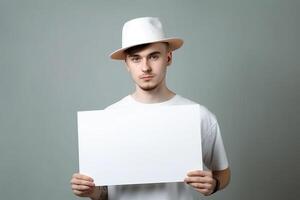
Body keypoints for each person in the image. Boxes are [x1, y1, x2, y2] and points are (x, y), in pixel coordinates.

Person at [70, 17, 231, 200]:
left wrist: (215, 184)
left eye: (154, 56)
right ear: (127, 64)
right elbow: (106, 194)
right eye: (136, 59)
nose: (145, 67)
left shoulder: (198, 115)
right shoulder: (110, 118)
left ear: (168, 58)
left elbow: (223, 173)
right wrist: (92, 191)